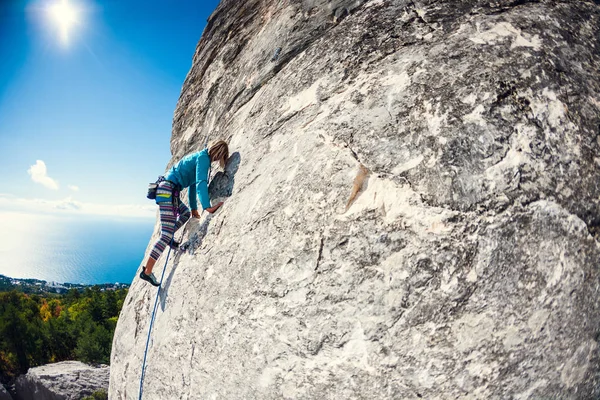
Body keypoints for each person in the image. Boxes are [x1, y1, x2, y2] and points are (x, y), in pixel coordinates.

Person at [139, 140, 229, 286]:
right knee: (166, 235)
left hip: (167, 190)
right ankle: (147, 272)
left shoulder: (200, 157)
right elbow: (201, 183)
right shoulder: (203, 158)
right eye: (220, 156)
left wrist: (194, 208)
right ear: (218, 152)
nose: (217, 160)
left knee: (185, 213)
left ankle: (168, 238)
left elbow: (193, 186)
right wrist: (207, 207)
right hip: (168, 190)